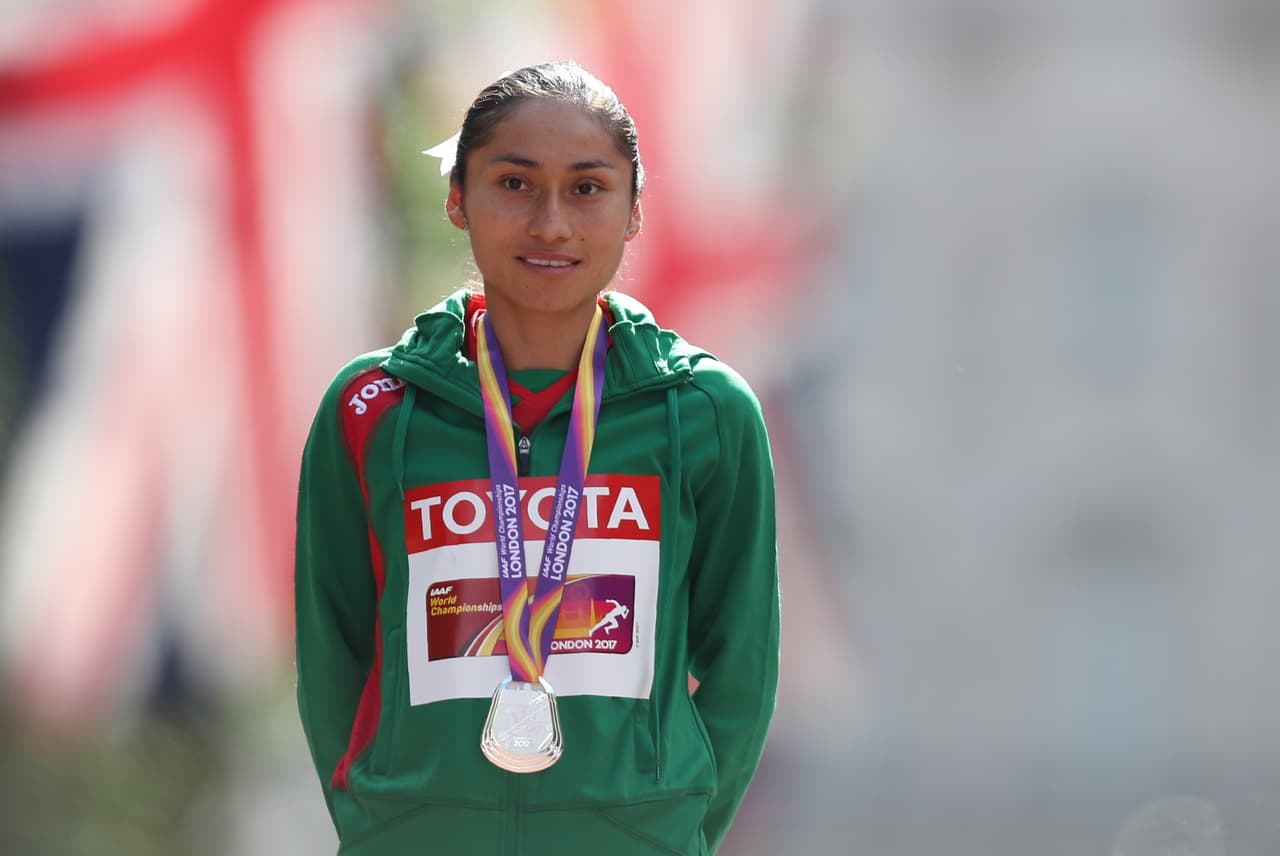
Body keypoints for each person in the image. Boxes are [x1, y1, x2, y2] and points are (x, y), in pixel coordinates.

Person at [294, 61, 779, 856]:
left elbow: (743, 669)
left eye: (587, 188)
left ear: (633, 210)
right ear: (458, 197)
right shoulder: (370, 408)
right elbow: (331, 654)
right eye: (514, 184)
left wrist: (663, 826)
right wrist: (387, 818)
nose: (552, 223)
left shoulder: (705, 412)